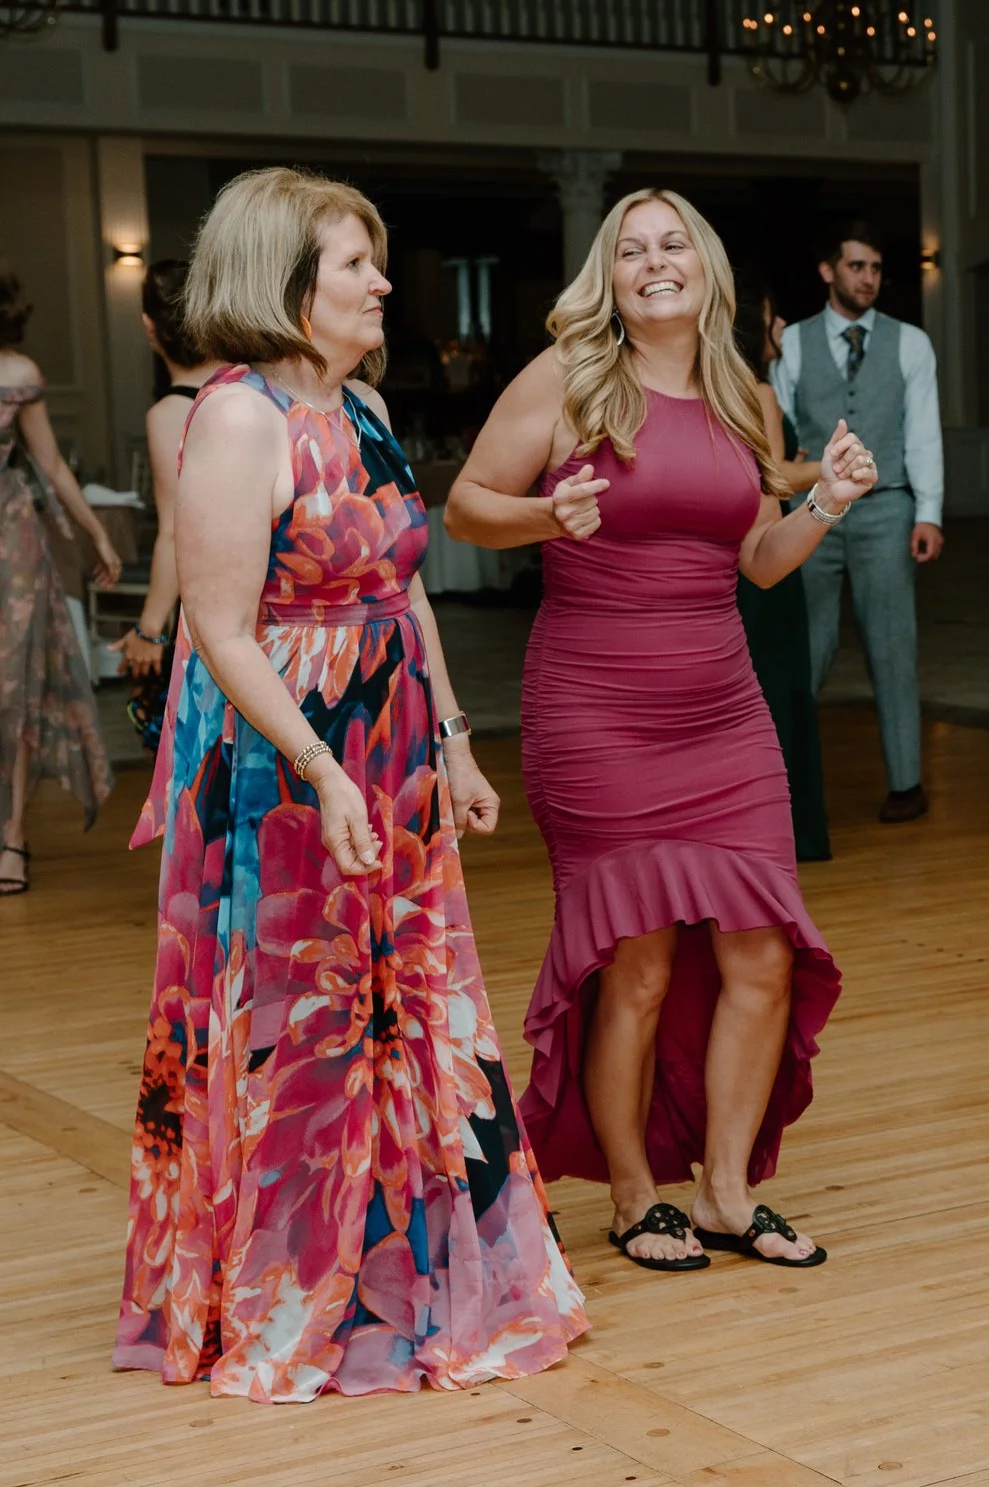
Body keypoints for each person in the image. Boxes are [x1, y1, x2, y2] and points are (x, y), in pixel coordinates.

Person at [114, 167, 583, 1398]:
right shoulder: (236, 419)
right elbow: (220, 629)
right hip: (286, 756)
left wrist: (460, 741)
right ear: (284, 284)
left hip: (393, 734)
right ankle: (294, 1291)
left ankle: (415, 1276)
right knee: (304, 1021)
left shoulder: (365, 403)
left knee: (412, 1003)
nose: (384, 281)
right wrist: (321, 771)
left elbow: (408, 584)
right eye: (355, 265)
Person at [447, 188, 879, 1273]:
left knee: (762, 953)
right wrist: (550, 512)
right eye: (630, 249)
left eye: (671, 243)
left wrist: (823, 499)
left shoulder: (743, 393)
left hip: (724, 709)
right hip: (596, 704)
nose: (653, 261)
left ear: (705, 264)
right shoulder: (571, 379)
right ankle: (637, 1193)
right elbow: (461, 506)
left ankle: (728, 1191)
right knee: (634, 963)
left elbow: (757, 562)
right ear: (610, 275)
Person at [771, 219, 944, 825]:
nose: (868, 279)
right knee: (808, 645)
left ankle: (906, 781)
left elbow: (923, 432)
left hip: (888, 504)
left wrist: (930, 512)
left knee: (893, 646)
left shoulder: (911, 342)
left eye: (875, 269)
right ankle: (783, 784)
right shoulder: (790, 343)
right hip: (811, 509)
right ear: (828, 271)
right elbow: (782, 440)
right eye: (856, 267)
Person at [0, 267, 119, 896]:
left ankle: (13, 837)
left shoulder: (18, 374)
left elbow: (50, 465)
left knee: (12, 693)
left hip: (10, 541)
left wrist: (96, 533)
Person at [735, 284, 831, 862]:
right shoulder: (760, 390)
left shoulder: (726, 389)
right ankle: (786, 831)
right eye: (773, 314)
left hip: (745, 555)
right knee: (778, 688)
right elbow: (772, 479)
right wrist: (832, 466)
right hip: (767, 553)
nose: (782, 323)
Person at [112, 259, 224, 755]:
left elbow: (176, 532)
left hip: (212, 601)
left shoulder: (170, 413)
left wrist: (149, 630)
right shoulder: (255, 389)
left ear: (149, 326)